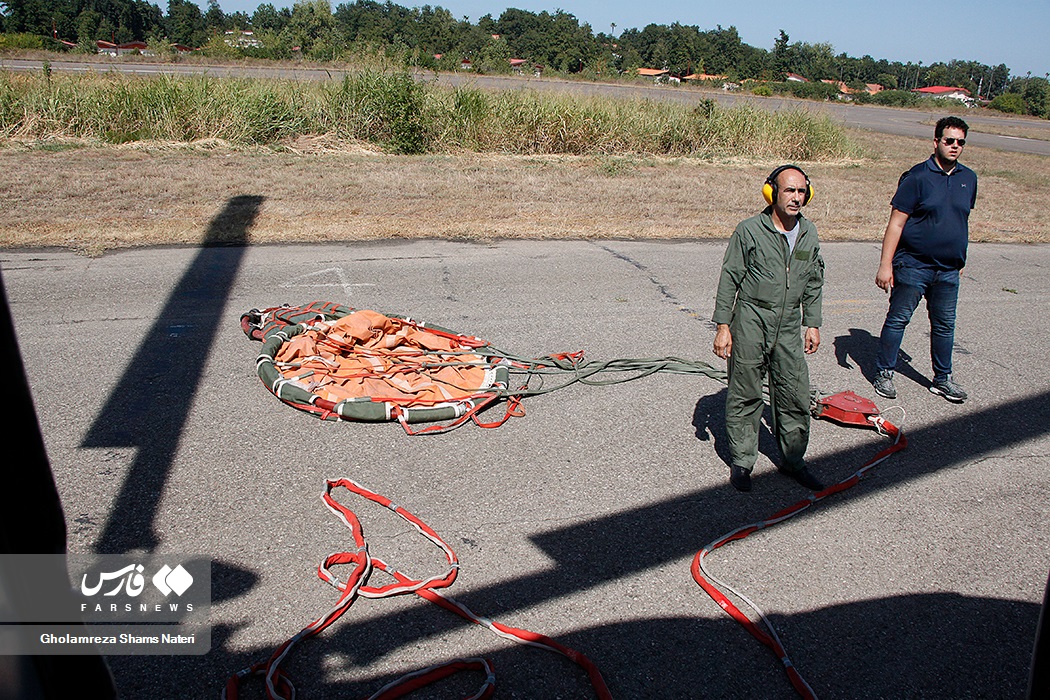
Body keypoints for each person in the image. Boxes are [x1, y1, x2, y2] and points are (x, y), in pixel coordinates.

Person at [712, 165, 825, 493]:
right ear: (771, 193)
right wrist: (723, 326)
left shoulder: (809, 233)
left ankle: (793, 460)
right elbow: (729, 277)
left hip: (789, 324)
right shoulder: (749, 231)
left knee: (794, 394)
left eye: (802, 191)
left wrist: (813, 324)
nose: (796, 198)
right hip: (750, 321)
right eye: (789, 191)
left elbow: (814, 281)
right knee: (746, 393)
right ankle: (743, 461)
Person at [872, 116, 977, 403]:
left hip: (948, 270)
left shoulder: (969, 179)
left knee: (944, 325)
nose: (955, 146)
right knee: (898, 320)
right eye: (949, 141)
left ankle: (942, 379)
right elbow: (896, 223)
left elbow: (959, 221)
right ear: (936, 142)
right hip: (913, 265)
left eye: (960, 142)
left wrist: (960, 260)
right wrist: (886, 265)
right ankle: (884, 371)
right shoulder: (917, 177)